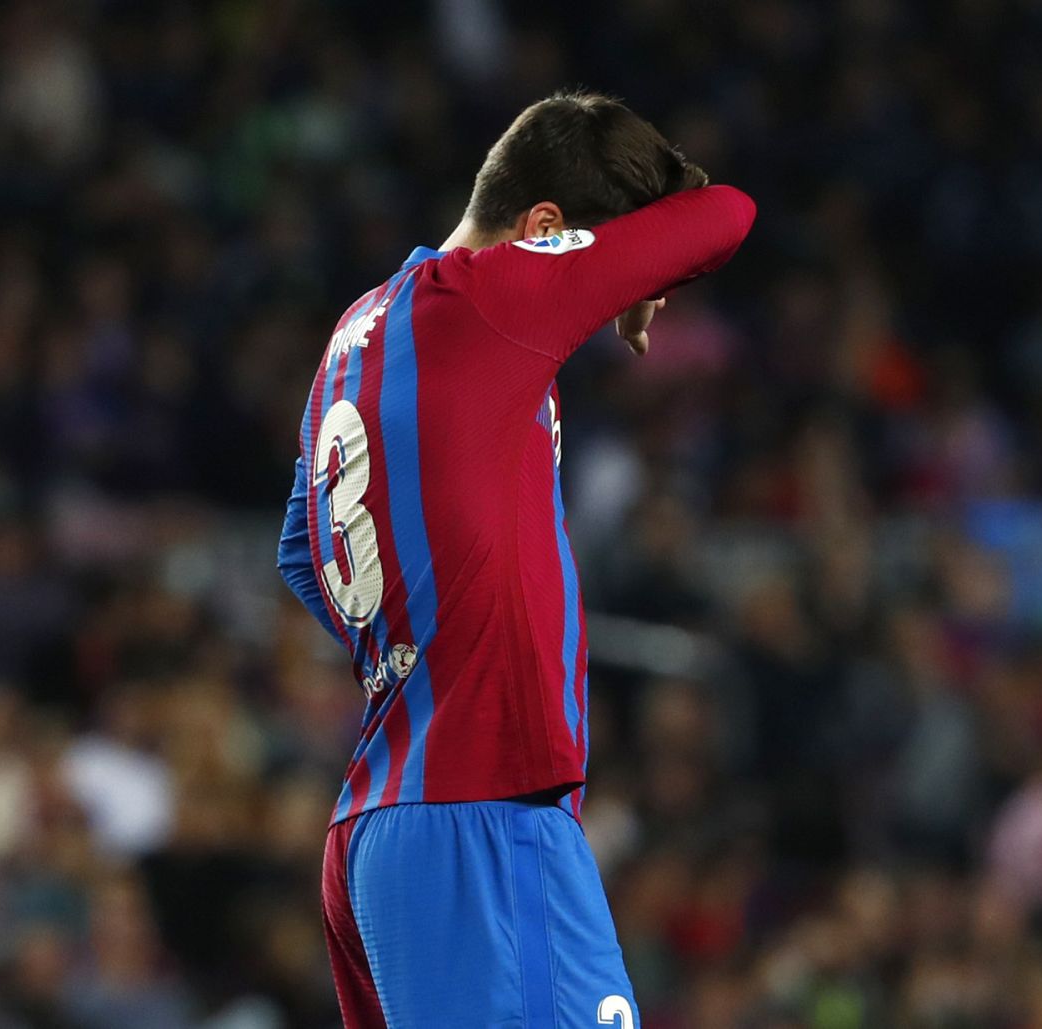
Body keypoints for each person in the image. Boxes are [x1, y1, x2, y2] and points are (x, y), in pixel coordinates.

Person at [275, 90, 755, 1027]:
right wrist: (631, 274)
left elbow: (304, 552)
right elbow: (725, 215)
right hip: (482, 814)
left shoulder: (358, 331)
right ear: (545, 230)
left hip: (381, 826)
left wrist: (421, 641)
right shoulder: (492, 296)